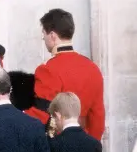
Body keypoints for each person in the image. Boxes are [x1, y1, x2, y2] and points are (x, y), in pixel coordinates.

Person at [25, 9, 105, 141]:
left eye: (43, 34)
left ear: (52, 35)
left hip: (58, 146)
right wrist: (91, 147)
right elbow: (98, 117)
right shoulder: (93, 68)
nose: (43, 38)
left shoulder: (47, 69)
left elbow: (40, 116)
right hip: (86, 146)